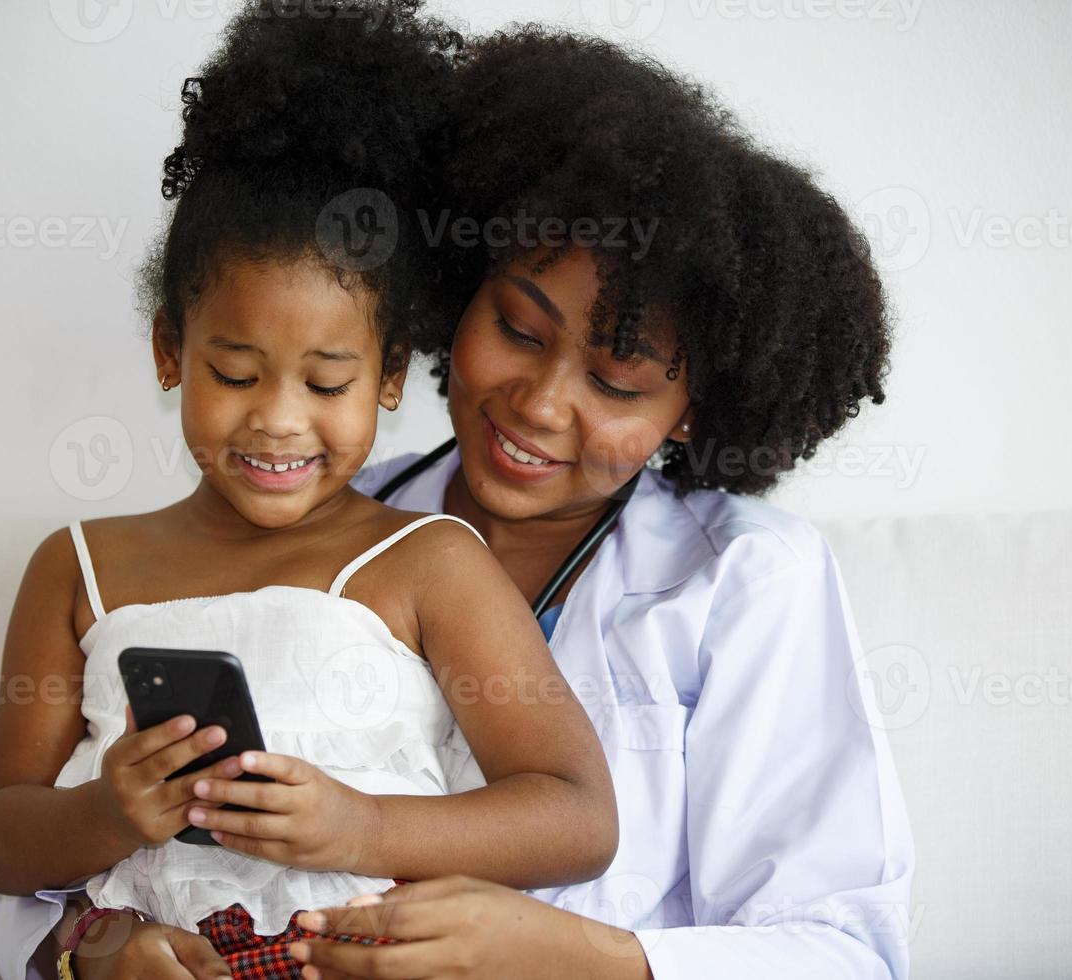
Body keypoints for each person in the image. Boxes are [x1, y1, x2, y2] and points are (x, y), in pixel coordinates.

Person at [0, 5, 620, 979]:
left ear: (391, 376)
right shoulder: (79, 566)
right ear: (167, 350)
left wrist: (361, 823)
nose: (277, 419)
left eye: (325, 382)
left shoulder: (430, 560)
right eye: (234, 373)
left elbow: (576, 812)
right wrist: (101, 814)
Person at [279, 26, 916, 980]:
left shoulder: (742, 580)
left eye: (617, 384)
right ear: (458, 291)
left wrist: (576, 956)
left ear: (693, 413)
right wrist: (93, 947)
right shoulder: (323, 515)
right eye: (517, 328)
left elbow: (848, 953)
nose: (539, 404)